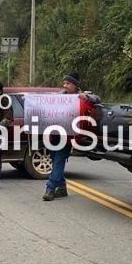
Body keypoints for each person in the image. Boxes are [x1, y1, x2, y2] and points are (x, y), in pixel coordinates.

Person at [42, 72, 100, 201]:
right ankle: (62, 188)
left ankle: (50, 188)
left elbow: (97, 100)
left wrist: (87, 97)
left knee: (58, 162)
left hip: (68, 137)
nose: (65, 85)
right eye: (64, 83)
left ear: (75, 85)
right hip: (54, 135)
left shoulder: (82, 98)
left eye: (68, 83)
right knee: (55, 160)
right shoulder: (59, 97)